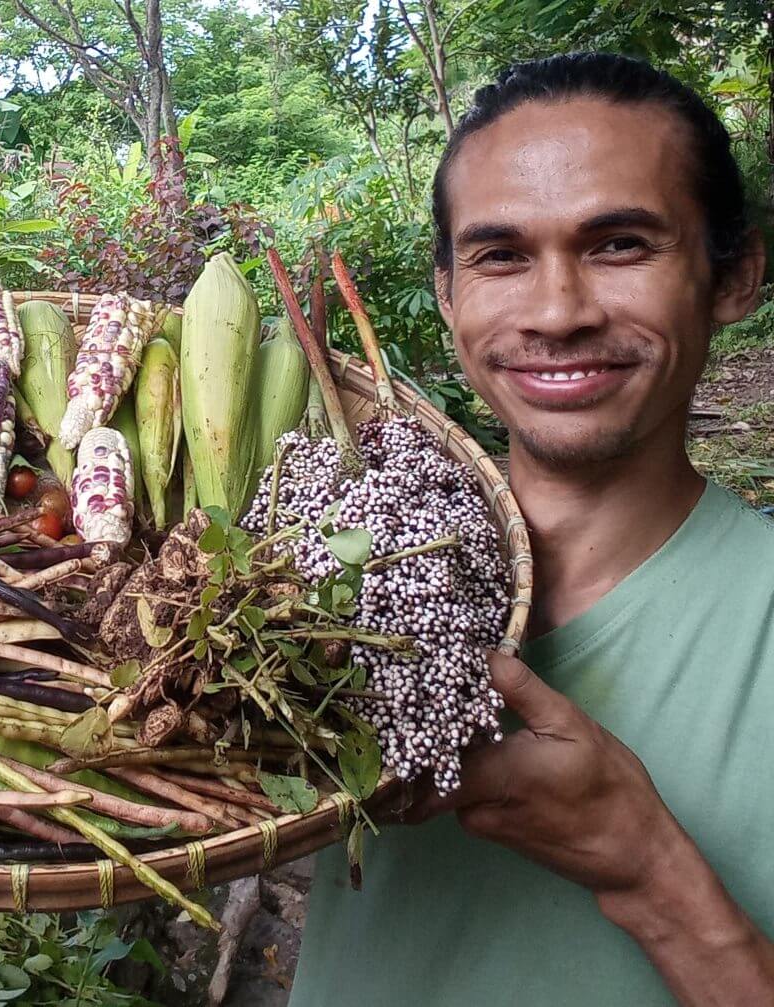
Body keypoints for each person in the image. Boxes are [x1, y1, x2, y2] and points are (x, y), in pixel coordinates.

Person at [289, 52, 774, 1006]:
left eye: (620, 244)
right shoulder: (321, 576)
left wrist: (649, 869)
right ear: (447, 295)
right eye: (501, 255)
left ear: (735, 276)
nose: (557, 313)